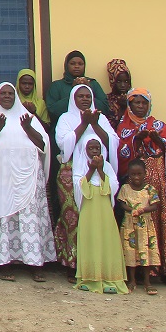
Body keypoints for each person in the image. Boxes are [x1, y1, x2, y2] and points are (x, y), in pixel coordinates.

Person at [0, 83, 55, 282]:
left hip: (27, 179)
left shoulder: (29, 118)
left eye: (11, 93)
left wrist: (27, 128)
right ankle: (3, 263)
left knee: (30, 220)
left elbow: (43, 144)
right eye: (4, 93)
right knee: (3, 220)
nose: (8, 96)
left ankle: (35, 263)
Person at [114, 86, 166, 285]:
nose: (140, 106)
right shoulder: (124, 127)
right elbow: (120, 153)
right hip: (138, 189)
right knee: (143, 226)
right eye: (136, 102)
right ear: (129, 105)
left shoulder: (158, 125)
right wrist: (135, 141)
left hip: (161, 186)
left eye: (144, 102)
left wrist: (159, 140)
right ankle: (145, 271)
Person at [53, 82, 117, 272]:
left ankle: (96, 264)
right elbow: (63, 144)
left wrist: (94, 124)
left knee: (96, 216)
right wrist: (84, 123)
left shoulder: (101, 118)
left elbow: (112, 141)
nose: (84, 99)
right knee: (72, 216)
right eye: (80, 96)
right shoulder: (65, 118)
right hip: (71, 171)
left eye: (88, 96)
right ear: (73, 98)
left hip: (98, 169)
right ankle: (74, 264)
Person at [73, 138, 128, 294]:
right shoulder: (80, 165)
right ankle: (88, 278)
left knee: (105, 239)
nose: (95, 151)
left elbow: (114, 185)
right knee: (90, 238)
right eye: (91, 148)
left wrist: (101, 170)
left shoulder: (108, 166)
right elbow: (78, 185)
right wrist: (91, 170)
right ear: (85, 150)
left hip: (103, 207)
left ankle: (109, 278)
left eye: (97, 148)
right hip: (88, 207)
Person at [117, 157, 162, 295]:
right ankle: (132, 280)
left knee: (145, 251)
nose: (136, 177)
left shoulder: (150, 189)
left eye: (139, 174)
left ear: (145, 173)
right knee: (131, 252)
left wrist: (143, 210)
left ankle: (147, 281)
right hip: (130, 226)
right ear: (129, 175)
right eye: (133, 174)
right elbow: (122, 203)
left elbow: (155, 205)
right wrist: (131, 210)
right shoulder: (125, 188)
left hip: (145, 227)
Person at [46, 51, 109, 125]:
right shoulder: (57, 85)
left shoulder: (93, 83)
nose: (77, 66)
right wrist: (73, 92)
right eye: (72, 63)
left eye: (80, 64)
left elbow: (105, 108)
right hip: (65, 127)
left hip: (92, 127)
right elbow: (52, 111)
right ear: (66, 65)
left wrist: (89, 90)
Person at [105, 59, 132, 130]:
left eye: (126, 81)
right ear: (113, 81)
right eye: (119, 81)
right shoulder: (107, 100)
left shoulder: (135, 99)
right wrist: (122, 108)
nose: (123, 85)